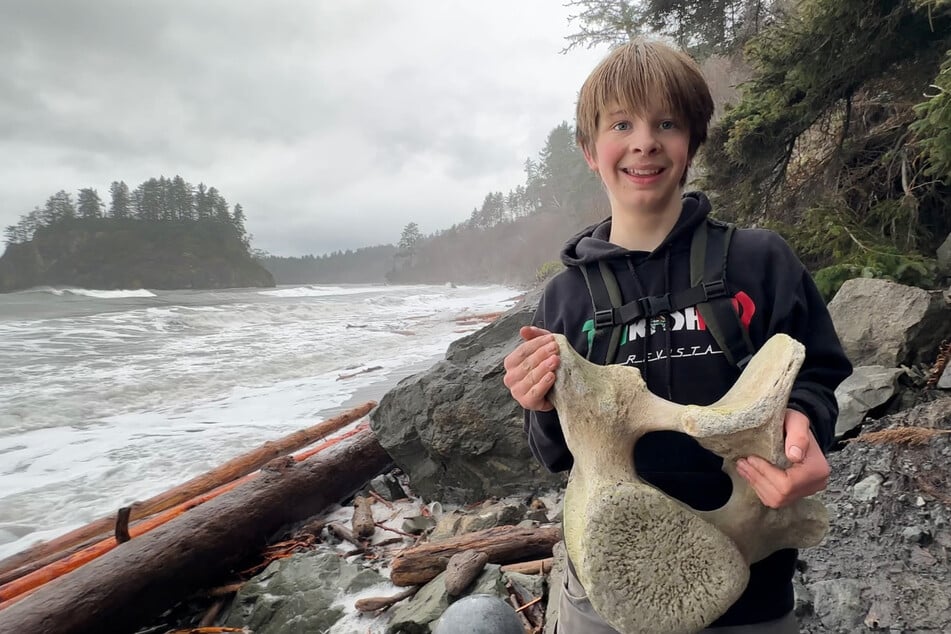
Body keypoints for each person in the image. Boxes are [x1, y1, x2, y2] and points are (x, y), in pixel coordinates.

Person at [502, 39, 852, 633]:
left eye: (666, 123)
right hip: (608, 592)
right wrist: (536, 401)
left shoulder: (760, 262)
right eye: (621, 124)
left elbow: (817, 375)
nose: (644, 142)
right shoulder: (567, 299)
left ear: (692, 140)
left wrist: (805, 431)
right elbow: (558, 453)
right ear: (589, 150)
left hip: (749, 594)